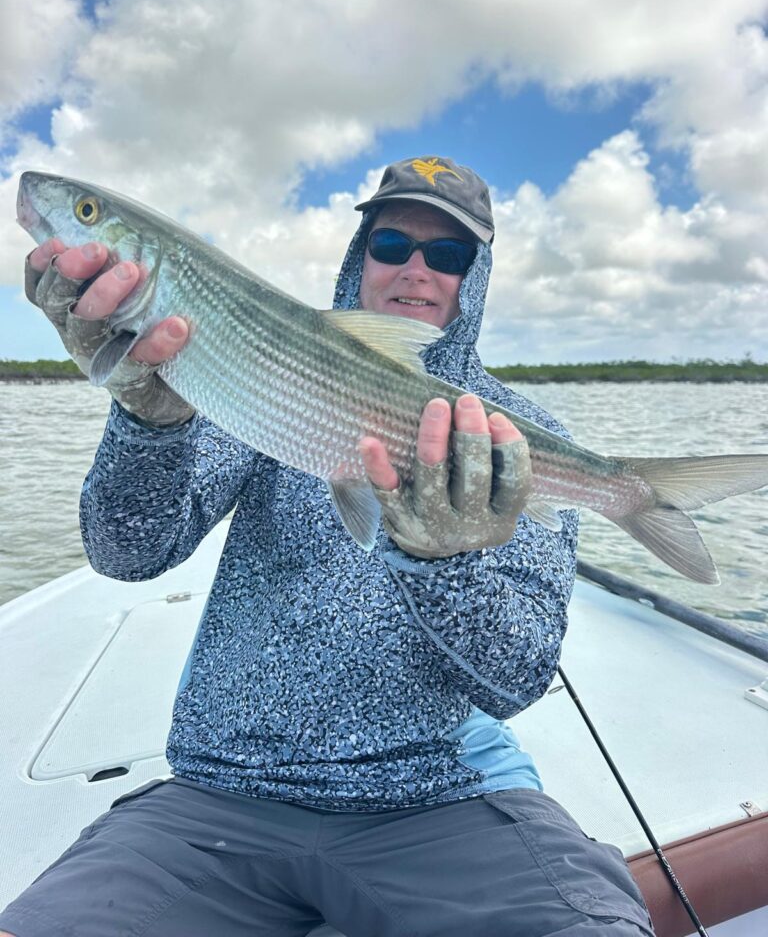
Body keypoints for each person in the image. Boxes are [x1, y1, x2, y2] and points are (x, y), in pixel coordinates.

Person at [1, 156, 655, 936]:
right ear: (359, 256)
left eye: (447, 255)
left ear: (474, 277)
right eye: (391, 245)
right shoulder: (243, 363)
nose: (416, 269)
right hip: (221, 797)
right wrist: (148, 421)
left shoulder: (509, 434)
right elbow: (128, 553)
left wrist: (444, 567)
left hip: (432, 799)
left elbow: (518, 678)